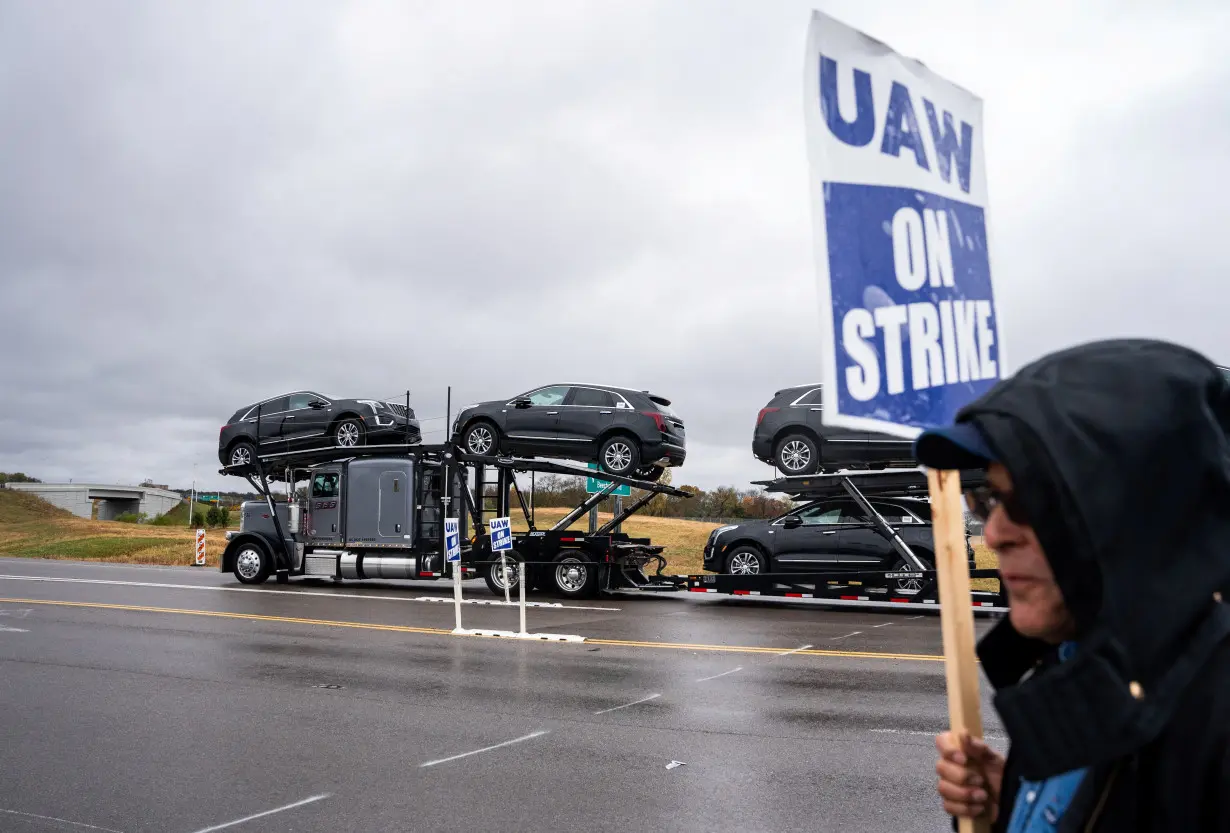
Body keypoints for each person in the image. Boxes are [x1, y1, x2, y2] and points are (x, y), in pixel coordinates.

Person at [912, 338, 1230, 831]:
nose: (993, 533)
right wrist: (1012, 810)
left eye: (1032, 500)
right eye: (988, 500)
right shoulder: (1072, 662)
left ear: (1136, 510)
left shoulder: (1215, 722)